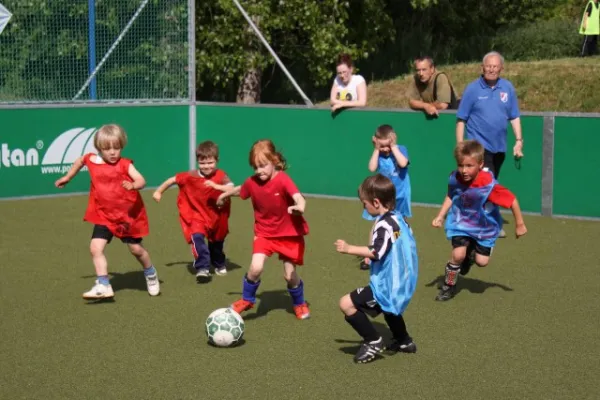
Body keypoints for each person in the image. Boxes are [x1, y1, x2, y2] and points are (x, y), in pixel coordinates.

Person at [54, 124, 160, 299]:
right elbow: (80, 161)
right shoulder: (91, 160)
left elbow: (141, 180)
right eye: (107, 148)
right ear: (99, 148)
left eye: (116, 148)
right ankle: (104, 284)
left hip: (126, 217)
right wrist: (67, 177)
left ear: (122, 146)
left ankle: (150, 272)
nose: (112, 152)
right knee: (95, 248)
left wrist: (134, 185)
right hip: (104, 216)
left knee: (136, 250)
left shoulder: (125, 165)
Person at [216, 139, 310, 320]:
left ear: (274, 161)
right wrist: (225, 194)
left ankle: (299, 303)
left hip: (289, 234)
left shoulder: (283, 179)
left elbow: (298, 197)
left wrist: (300, 206)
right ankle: (247, 299)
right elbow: (241, 190)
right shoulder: (252, 182)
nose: (259, 171)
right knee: (255, 268)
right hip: (264, 233)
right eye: (255, 167)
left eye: (263, 166)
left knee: (290, 276)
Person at [334, 174, 418, 364]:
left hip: (389, 283)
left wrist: (349, 249)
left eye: (364, 204)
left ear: (376, 202)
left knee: (346, 303)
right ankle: (404, 341)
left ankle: (373, 340)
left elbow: (377, 251)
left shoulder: (384, 225)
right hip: (404, 280)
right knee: (390, 309)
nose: (364, 207)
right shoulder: (399, 219)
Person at [431, 140, 527, 302]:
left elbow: (512, 201)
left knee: (482, 262)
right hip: (460, 222)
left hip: (484, 227)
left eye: (469, 166)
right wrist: (441, 215)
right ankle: (449, 286)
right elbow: (450, 195)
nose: (464, 170)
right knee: (457, 254)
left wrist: (520, 224)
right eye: (461, 165)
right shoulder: (455, 178)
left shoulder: (488, 186)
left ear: (480, 164)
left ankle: (470, 256)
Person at [153, 141, 233, 282]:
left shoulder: (221, 176)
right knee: (196, 237)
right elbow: (172, 180)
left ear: (217, 160)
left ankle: (219, 263)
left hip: (217, 216)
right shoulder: (190, 176)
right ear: (197, 162)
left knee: (216, 244)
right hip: (197, 215)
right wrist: (159, 191)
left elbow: (231, 188)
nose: (206, 166)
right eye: (202, 163)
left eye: (210, 162)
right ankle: (203, 267)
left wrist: (216, 186)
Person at [456, 51, 524, 180]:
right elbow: (461, 119)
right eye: (488, 66)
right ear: (482, 67)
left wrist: (519, 141)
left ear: (501, 68)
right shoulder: (472, 89)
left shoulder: (507, 87)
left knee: (488, 185)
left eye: (495, 66)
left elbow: (514, 116)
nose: (491, 70)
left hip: (499, 148)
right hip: (479, 149)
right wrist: (461, 147)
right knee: (487, 183)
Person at [360, 124, 411, 270]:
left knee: (400, 224)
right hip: (383, 196)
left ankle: (399, 251)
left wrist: (393, 146)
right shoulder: (378, 153)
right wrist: (377, 149)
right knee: (377, 223)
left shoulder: (400, 149)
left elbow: (402, 163)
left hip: (400, 195)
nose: (385, 149)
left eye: (387, 145)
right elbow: (371, 168)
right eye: (382, 146)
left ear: (393, 140)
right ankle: (370, 255)